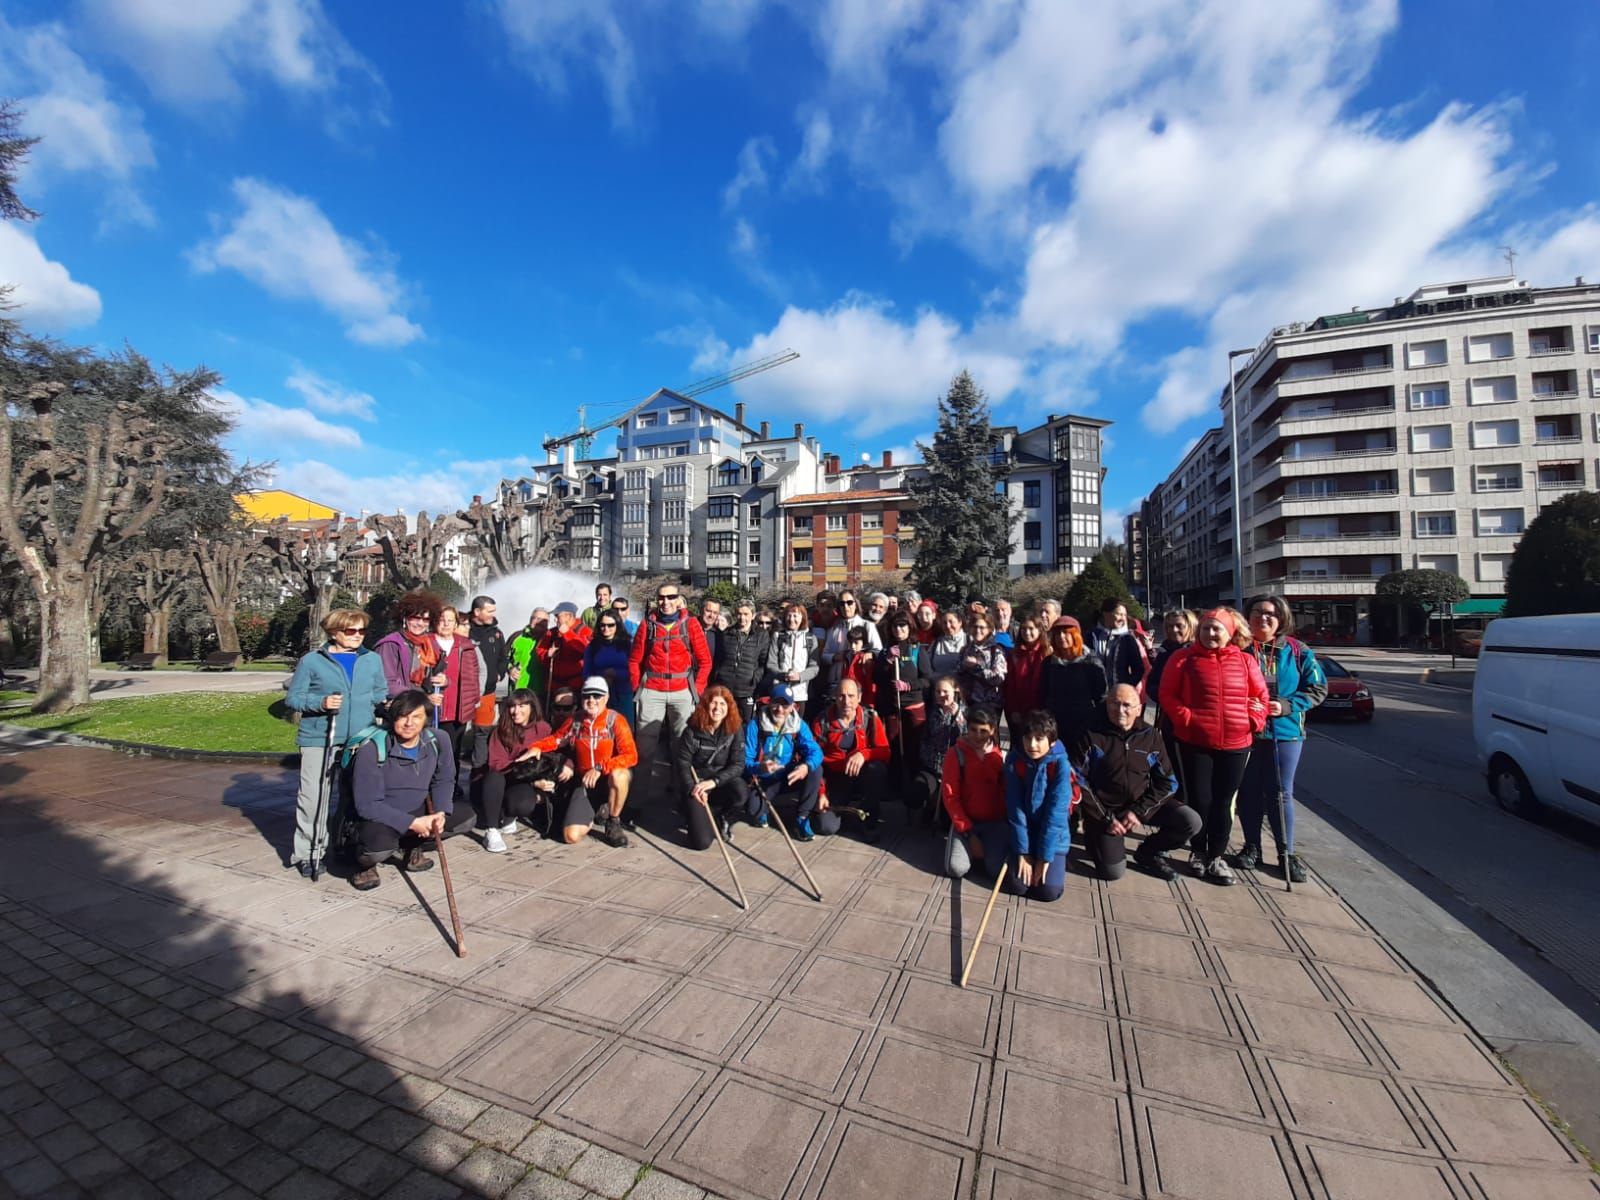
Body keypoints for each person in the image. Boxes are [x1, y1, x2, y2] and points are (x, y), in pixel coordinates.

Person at [1158, 608, 1268, 886]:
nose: (1210, 634)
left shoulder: (1245, 661)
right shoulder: (1183, 658)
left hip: (1236, 743)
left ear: (1230, 632)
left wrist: (1253, 721)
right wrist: (1187, 719)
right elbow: (1166, 693)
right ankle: (1198, 851)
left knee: (1224, 802)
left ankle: (1216, 856)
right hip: (1195, 742)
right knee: (1200, 800)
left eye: (1217, 629)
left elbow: (1260, 695)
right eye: (1206, 628)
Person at [284, 609, 388, 879]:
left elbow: (379, 692)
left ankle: (346, 846)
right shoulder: (312, 661)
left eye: (361, 631)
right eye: (350, 631)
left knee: (356, 798)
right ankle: (309, 852)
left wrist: (385, 705)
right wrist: (320, 703)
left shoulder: (372, 660)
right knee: (313, 798)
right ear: (334, 632)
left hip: (360, 739)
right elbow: (293, 698)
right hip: (321, 737)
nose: (357, 636)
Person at [1237, 595, 1326, 883]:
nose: (1263, 618)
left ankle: (1285, 853)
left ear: (1281, 618)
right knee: (1248, 791)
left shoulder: (1298, 651)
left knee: (1280, 793)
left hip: (1285, 733)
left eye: (1270, 614)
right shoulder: (1238, 649)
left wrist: (1286, 705)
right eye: (1257, 612)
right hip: (1246, 732)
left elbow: (1317, 689)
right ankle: (1251, 847)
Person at [348, 690, 476, 891]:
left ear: (426, 719)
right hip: (380, 818)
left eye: (416, 717)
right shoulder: (372, 748)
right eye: (403, 716)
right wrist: (413, 823)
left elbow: (444, 779)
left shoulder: (438, 740)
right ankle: (366, 864)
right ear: (393, 718)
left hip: (417, 810)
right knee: (378, 846)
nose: (409, 723)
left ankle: (410, 847)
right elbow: (367, 805)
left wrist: (440, 812)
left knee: (466, 817)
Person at [1077, 685, 1200, 882]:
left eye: (1127, 705)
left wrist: (1139, 811)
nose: (1120, 710)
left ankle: (1149, 851)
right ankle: (1095, 840)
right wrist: (1104, 818)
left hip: (1140, 805)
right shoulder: (1091, 734)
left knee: (1191, 821)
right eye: (1114, 704)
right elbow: (1077, 780)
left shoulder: (1150, 736)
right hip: (1106, 812)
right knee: (1112, 873)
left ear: (1139, 709)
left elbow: (1168, 782)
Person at [629, 582, 712, 809]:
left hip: (681, 692)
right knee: (644, 750)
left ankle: (683, 798)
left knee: (682, 749)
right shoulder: (648, 625)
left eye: (670, 597)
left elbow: (705, 661)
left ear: (678, 599)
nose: (665, 602)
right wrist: (638, 687)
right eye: (661, 598)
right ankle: (636, 803)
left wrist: (698, 689)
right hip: (652, 690)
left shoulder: (691, 624)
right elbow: (635, 660)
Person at [531, 676, 637, 847]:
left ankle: (613, 821)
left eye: (597, 696)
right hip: (586, 783)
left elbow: (631, 755)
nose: (591, 700)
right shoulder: (576, 720)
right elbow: (557, 740)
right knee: (570, 836)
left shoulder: (615, 720)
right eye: (587, 696)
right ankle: (597, 811)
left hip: (608, 779)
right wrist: (536, 747)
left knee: (621, 775)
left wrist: (600, 768)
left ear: (606, 698)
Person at [1004, 710, 1077, 902]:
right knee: (1017, 886)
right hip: (1025, 833)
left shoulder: (1060, 766)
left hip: (1053, 836)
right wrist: (1023, 851)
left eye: (1039, 738)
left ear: (1052, 741)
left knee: (1048, 892)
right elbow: (1015, 808)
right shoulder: (1014, 760)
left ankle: (1057, 864)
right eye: (1028, 738)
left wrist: (1044, 857)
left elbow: (1056, 817)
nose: (1032, 745)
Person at [745, 683, 830, 840]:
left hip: (789, 775)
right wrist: (759, 767)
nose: (780, 709)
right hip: (765, 779)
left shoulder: (798, 725)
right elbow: (746, 759)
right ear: (769, 702)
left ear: (792, 707)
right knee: (754, 810)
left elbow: (816, 751)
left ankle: (802, 818)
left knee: (815, 769)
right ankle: (763, 810)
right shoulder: (755, 725)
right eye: (776, 703)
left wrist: (806, 766)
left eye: (785, 705)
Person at [675, 685, 755, 849]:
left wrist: (715, 781)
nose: (718, 708)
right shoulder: (691, 730)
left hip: (719, 781)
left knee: (741, 792)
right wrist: (693, 788)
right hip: (697, 782)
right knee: (702, 843)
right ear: (706, 705)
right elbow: (682, 764)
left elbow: (738, 765)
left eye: (723, 704)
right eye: (714, 703)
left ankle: (721, 815)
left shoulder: (735, 728)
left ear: (729, 708)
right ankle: (692, 811)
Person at [479, 688, 557, 851]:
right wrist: (519, 766)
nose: (516, 711)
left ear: (532, 707)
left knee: (523, 803)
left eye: (522, 706)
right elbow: (496, 764)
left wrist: (538, 781)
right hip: (502, 779)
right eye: (512, 706)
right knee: (494, 778)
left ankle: (509, 816)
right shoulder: (501, 731)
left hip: (525, 781)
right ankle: (492, 830)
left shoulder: (543, 729)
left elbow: (553, 754)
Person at [812, 677, 891, 840]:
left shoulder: (869, 718)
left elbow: (885, 752)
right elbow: (812, 760)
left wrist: (864, 754)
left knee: (877, 770)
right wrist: (820, 792)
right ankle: (842, 810)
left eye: (851, 696)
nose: (846, 701)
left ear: (859, 698)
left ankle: (869, 819)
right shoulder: (823, 721)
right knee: (826, 827)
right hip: (835, 778)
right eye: (841, 696)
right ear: (835, 696)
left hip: (862, 775)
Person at [941, 706, 1007, 879]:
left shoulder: (1001, 757)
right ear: (967, 728)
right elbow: (950, 797)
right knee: (955, 868)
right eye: (973, 730)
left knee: (996, 872)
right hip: (966, 821)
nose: (978, 736)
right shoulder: (955, 754)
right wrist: (968, 833)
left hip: (995, 823)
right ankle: (969, 848)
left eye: (983, 731)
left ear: (992, 730)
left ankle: (985, 853)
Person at [876, 611, 931, 799]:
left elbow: (927, 679)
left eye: (903, 626)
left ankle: (916, 788)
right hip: (893, 707)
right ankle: (895, 786)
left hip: (913, 706)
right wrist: (888, 661)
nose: (899, 630)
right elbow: (877, 678)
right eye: (895, 626)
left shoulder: (917, 650)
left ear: (909, 627)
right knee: (894, 747)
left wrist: (909, 685)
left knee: (914, 747)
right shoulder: (886, 651)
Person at [1040, 616, 1108, 757]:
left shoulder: (1091, 663)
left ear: (1075, 635)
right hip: (1056, 726)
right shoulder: (1048, 663)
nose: (1061, 637)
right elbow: (1043, 694)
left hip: (1084, 727)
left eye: (1066, 633)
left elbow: (1101, 697)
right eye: (1057, 633)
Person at [430, 607, 483, 771]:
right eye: (441, 619)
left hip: (458, 709)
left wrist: (474, 699)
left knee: (453, 752)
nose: (445, 623)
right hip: (432, 708)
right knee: (433, 752)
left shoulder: (465, 645)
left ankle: (451, 789)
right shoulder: (426, 643)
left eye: (450, 620)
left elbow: (473, 673)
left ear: (455, 624)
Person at [375, 590, 448, 700]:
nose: (420, 623)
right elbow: (386, 683)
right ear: (405, 618)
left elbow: (437, 674)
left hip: (426, 708)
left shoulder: (431, 644)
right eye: (415, 618)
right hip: (401, 707)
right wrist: (423, 698)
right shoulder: (391, 644)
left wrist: (444, 681)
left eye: (425, 619)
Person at [911, 676, 965, 823]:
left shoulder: (965, 712)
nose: (941, 695)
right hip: (933, 767)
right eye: (938, 691)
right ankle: (930, 803)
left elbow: (965, 738)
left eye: (945, 691)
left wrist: (957, 717)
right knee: (917, 790)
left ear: (955, 691)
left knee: (946, 821)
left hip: (955, 769)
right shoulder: (933, 712)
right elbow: (928, 738)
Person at [713, 600, 769, 722]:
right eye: (739, 614)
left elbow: (763, 662)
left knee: (745, 724)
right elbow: (718, 658)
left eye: (746, 614)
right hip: (726, 687)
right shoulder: (727, 633)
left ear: (753, 615)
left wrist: (755, 678)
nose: (742, 617)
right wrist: (719, 675)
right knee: (725, 722)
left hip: (747, 689)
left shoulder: (762, 635)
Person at [466, 594, 506, 764]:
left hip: (487, 693)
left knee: (483, 732)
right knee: (457, 734)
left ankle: (478, 772)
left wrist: (499, 673)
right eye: (489, 611)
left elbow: (503, 657)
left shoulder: (496, 633)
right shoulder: (464, 630)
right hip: (464, 692)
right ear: (477, 611)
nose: (493, 614)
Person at [820, 589, 882, 693]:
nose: (846, 606)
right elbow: (824, 655)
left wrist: (869, 654)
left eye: (849, 602)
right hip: (836, 681)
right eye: (842, 603)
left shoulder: (867, 626)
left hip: (860, 681)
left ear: (856, 604)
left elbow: (878, 651)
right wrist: (834, 657)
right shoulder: (833, 629)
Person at [583, 610, 636, 725]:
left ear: (617, 625)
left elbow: (634, 670)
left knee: (624, 729)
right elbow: (586, 672)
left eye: (610, 625)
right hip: (598, 695)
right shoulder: (593, 646)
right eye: (602, 625)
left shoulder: (627, 645)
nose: (606, 628)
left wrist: (615, 673)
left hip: (623, 694)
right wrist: (601, 679)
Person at [1003, 615, 1048, 745]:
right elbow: (1009, 685)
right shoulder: (1015, 654)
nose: (1027, 632)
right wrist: (1013, 710)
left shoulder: (1047, 652)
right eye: (1023, 629)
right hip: (1019, 709)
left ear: (1039, 630)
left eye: (1031, 628)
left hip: (1040, 709)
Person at [765, 602, 819, 710]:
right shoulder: (778, 636)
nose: (791, 619)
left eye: (795, 616)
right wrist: (783, 675)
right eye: (788, 615)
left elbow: (814, 667)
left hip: (801, 693)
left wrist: (800, 676)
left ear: (802, 618)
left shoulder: (810, 639)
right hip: (780, 690)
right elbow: (771, 663)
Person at [1088, 599, 1149, 693]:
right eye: (1119, 614)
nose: (1123, 618)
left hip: (1118, 697)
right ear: (1105, 614)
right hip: (1094, 697)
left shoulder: (1127, 639)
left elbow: (1138, 669)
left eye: (1124, 615)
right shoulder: (1092, 636)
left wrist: (1126, 689)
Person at [1146, 609, 1197, 711]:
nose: (1174, 630)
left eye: (1179, 626)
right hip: (1168, 715)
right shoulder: (1164, 651)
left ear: (1191, 627)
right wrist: (1165, 698)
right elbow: (1152, 683)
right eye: (1170, 626)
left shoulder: (1198, 653)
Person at [540, 602, 592, 703]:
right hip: (553, 685)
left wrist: (567, 634)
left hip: (576, 686)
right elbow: (540, 650)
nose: (555, 619)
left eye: (557, 616)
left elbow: (587, 650)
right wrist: (547, 654)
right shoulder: (552, 633)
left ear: (569, 616)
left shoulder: (585, 631)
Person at [958, 612, 1007, 712]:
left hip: (989, 705)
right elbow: (958, 673)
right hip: (968, 703)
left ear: (989, 629)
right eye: (975, 627)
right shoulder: (966, 649)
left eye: (982, 627)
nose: (978, 630)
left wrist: (977, 666)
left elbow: (998, 678)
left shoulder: (996, 651)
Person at [507, 609, 549, 695]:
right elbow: (502, 658)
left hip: (543, 692)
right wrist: (510, 669)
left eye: (542, 620)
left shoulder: (551, 639)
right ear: (530, 619)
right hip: (518, 689)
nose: (537, 622)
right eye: (535, 618)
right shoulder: (517, 636)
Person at [840, 624, 879, 710]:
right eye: (851, 643)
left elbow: (870, 684)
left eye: (856, 643)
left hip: (863, 700)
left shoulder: (865, 659)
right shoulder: (847, 656)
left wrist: (869, 704)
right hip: (849, 699)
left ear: (863, 643)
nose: (853, 646)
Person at [928, 608, 968, 680]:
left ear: (960, 622)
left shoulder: (969, 640)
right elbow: (928, 667)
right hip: (939, 687)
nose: (948, 626)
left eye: (951, 622)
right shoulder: (936, 643)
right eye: (944, 623)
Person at [700, 598, 725, 665]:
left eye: (715, 612)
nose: (711, 615)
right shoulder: (688, 628)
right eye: (708, 611)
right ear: (701, 610)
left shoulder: (719, 636)